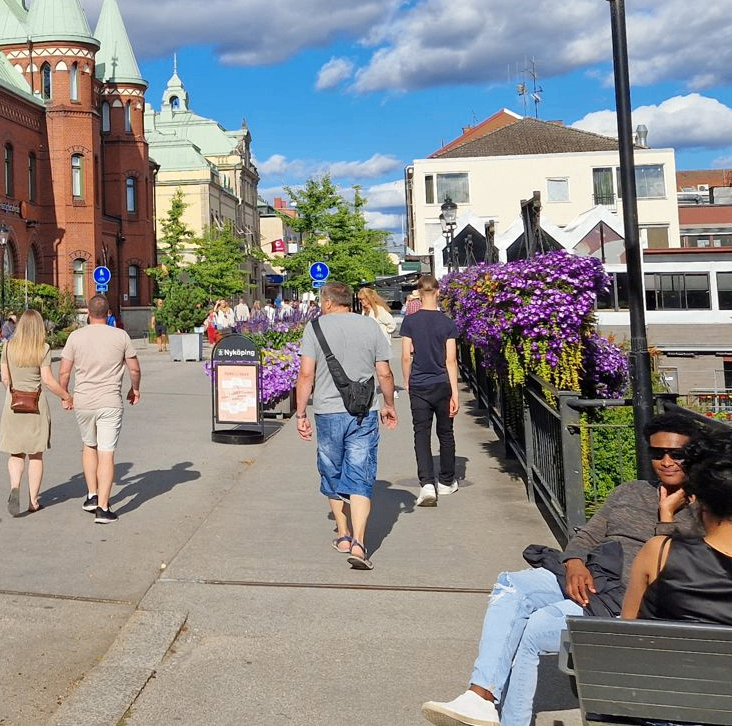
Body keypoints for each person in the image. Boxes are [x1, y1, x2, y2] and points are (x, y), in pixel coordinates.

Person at [422, 412, 705, 726]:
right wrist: (574, 564)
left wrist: (666, 516)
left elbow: (672, 573)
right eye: (657, 453)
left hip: (625, 603)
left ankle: (507, 719)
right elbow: (585, 536)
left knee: (532, 627)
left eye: (676, 454)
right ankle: (480, 696)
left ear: (693, 455)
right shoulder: (630, 491)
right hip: (594, 577)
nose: (665, 461)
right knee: (511, 584)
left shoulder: (705, 512)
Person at [621, 435, 732, 726]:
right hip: (726, 712)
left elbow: (627, 630)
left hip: (655, 707)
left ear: (699, 504)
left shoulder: (659, 551)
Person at [294, 280, 396, 570]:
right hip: (364, 410)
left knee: (332, 470)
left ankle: (342, 534)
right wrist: (389, 405)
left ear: (326, 303)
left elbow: (305, 375)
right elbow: (385, 373)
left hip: (327, 413)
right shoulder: (370, 326)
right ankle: (360, 544)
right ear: (348, 301)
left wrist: (301, 414)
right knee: (361, 474)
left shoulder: (314, 329)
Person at [45, 294, 140, 524]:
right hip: (109, 402)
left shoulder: (76, 337)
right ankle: (103, 508)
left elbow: (65, 371)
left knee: (89, 446)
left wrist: (66, 396)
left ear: (88, 313)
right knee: (106, 452)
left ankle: (91, 494)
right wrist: (134, 389)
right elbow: (135, 369)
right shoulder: (121, 336)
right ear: (108, 314)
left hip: (84, 401)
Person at [397, 274, 460, 506]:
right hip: (442, 383)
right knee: (445, 433)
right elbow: (451, 360)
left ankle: (426, 484)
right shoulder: (447, 323)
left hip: (419, 384)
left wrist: (407, 380)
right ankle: (446, 481)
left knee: (421, 433)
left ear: (418, 293)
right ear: (438, 292)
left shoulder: (410, 322)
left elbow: (405, 356)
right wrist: (455, 392)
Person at [0, 309, 52, 516]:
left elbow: (5, 379)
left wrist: (14, 393)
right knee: (36, 455)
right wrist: (66, 396)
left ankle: (15, 485)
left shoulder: (9, 347)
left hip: (12, 404)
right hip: (36, 405)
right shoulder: (43, 348)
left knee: (16, 452)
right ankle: (33, 500)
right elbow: (47, 379)